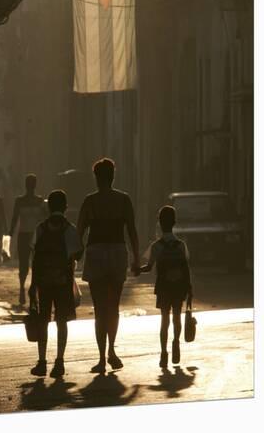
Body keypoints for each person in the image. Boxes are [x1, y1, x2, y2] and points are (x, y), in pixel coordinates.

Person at [77, 158, 140, 374]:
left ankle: (102, 358)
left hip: (95, 253)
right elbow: (131, 230)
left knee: (99, 309)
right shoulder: (123, 200)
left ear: (97, 178)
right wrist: (137, 258)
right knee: (113, 306)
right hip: (116, 253)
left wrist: (74, 257)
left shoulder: (90, 201)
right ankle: (112, 351)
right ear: (113, 177)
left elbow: (80, 232)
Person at [28, 190, 83, 378]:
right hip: (63, 282)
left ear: (48, 207)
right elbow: (78, 254)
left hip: (44, 282)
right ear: (65, 207)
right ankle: (59, 362)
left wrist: (32, 285)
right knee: (62, 321)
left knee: (43, 320)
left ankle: (42, 362)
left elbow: (35, 259)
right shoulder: (70, 229)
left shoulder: (41, 228)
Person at [140, 205, 193, 368]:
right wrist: (189, 289)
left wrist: (136, 269)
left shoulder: (156, 246)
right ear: (174, 223)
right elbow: (186, 267)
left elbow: (148, 267)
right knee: (177, 316)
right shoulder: (181, 245)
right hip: (179, 286)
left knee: (164, 320)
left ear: (159, 223)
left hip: (163, 286)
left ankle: (163, 353)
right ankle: (176, 342)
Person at [10, 174, 45, 305]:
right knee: (23, 265)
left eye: (32, 184)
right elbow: (14, 218)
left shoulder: (39, 200)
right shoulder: (19, 200)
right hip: (24, 236)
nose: (31, 186)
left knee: (36, 266)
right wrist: (10, 233)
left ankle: (33, 291)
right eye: (29, 184)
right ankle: (22, 289)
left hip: (36, 236)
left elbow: (43, 220)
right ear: (27, 185)